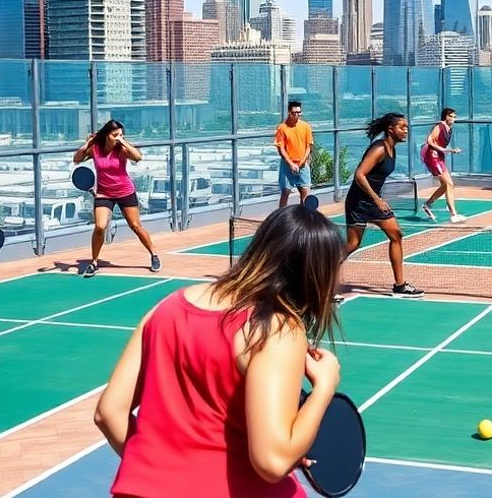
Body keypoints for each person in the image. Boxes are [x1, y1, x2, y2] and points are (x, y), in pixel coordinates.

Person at [95, 205, 343, 498]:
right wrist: (324, 387)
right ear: (314, 272)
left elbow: (108, 413)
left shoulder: (167, 307)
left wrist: (161, 475)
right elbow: (273, 462)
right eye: (338, 267)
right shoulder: (277, 329)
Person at [344, 113, 424, 298]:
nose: (406, 131)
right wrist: (377, 199)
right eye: (402, 127)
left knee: (396, 235)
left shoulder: (392, 149)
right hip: (359, 202)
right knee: (352, 244)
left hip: (372, 201)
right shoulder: (379, 148)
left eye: (406, 127)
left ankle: (399, 285)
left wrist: (377, 198)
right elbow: (359, 174)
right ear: (390, 129)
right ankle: (322, 277)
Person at [73, 120, 161, 278]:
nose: (118, 137)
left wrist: (123, 142)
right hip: (104, 193)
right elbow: (77, 159)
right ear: (107, 135)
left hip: (125, 191)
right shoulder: (96, 149)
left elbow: (138, 157)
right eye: (115, 135)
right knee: (100, 227)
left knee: (135, 225)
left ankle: (154, 254)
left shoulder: (122, 149)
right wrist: (87, 144)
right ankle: (94, 262)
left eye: (121, 135)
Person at [419, 107, 465, 223]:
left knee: (447, 185)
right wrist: (446, 150)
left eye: (455, 117)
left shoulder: (449, 129)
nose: (454, 119)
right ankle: (454, 215)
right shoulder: (438, 126)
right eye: (452, 116)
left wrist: (449, 150)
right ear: (446, 116)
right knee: (449, 184)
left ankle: (427, 204)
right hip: (432, 157)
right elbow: (429, 141)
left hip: (440, 157)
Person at [275, 101, 314, 209]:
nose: (296, 115)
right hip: (287, 165)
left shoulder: (306, 127)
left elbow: (308, 146)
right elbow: (281, 148)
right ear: (289, 112)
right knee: (285, 192)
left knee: (305, 193)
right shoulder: (282, 128)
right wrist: (291, 163)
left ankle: (304, 218)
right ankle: (281, 218)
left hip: (303, 165)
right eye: (294, 113)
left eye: (299, 112)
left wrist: (302, 162)